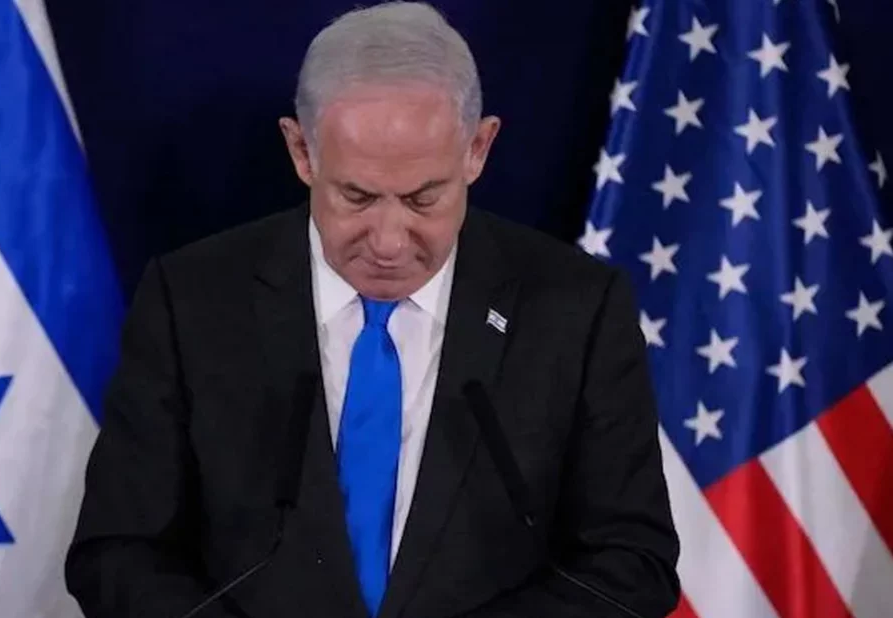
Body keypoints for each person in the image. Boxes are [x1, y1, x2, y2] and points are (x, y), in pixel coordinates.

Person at [64, 2, 680, 617]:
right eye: (357, 197)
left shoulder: (576, 310)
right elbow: (117, 551)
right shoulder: (192, 301)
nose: (388, 242)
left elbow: (633, 563)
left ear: (478, 148)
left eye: (423, 199)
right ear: (302, 151)